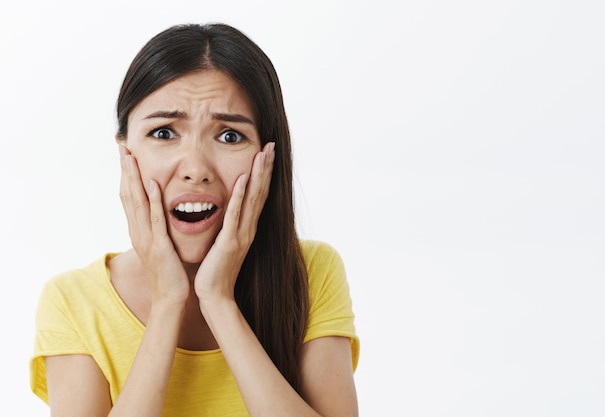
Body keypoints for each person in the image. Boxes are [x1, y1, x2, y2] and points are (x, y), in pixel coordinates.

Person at [30, 22, 359, 416]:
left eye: (230, 136)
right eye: (165, 132)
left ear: (268, 156)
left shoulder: (311, 273)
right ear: (125, 153)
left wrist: (218, 301)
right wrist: (169, 301)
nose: (195, 169)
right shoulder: (73, 302)